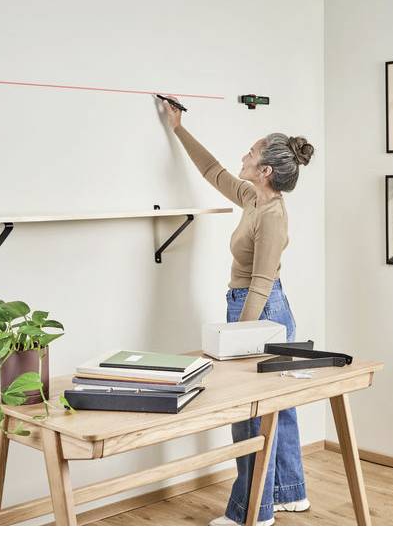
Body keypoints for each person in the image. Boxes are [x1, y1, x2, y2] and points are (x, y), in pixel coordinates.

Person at [160, 96, 315, 526]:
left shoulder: (272, 216)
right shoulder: (252, 198)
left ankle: (254, 513)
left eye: (250, 153)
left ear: (266, 170)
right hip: (262, 309)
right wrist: (178, 128)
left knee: (250, 413)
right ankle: (289, 493)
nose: (243, 157)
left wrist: (239, 338)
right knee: (277, 406)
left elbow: (260, 284)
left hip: (260, 311)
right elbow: (212, 171)